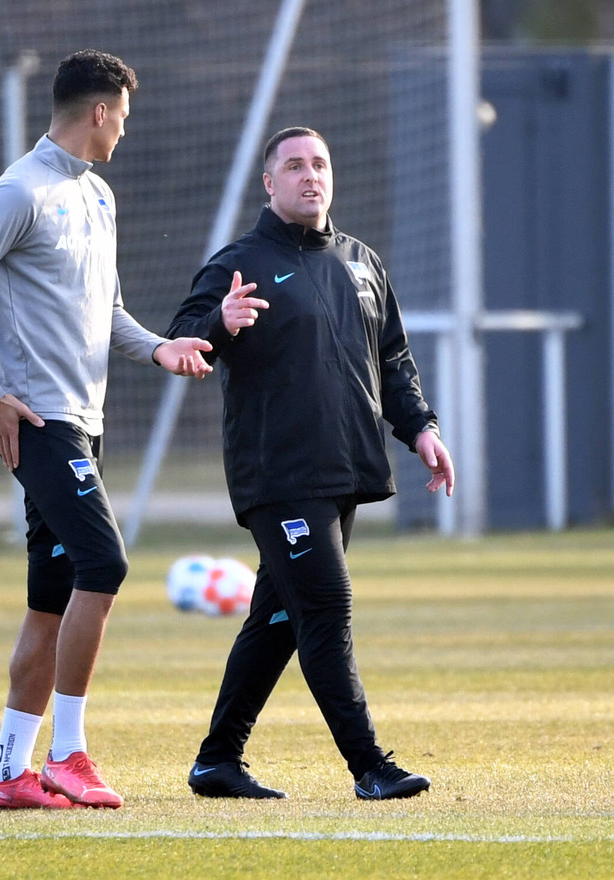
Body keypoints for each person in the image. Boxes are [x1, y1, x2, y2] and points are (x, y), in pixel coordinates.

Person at [0, 49, 212, 811]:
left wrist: (159, 347)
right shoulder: (19, 191)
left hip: (84, 423)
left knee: (52, 597)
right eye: (124, 117)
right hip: (38, 420)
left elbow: (106, 313)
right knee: (104, 563)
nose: (125, 131)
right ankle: (68, 754)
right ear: (100, 112)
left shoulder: (99, 196)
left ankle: (8, 771)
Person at [167, 126, 455, 801]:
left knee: (278, 621)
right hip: (279, 475)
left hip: (343, 468)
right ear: (270, 183)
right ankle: (370, 767)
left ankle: (217, 761)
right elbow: (182, 342)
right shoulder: (239, 263)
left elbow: (393, 360)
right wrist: (218, 325)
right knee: (326, 607)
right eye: (294, 166)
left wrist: (421, 428)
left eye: (320, 163)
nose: (310, 175)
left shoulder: (362, 262)